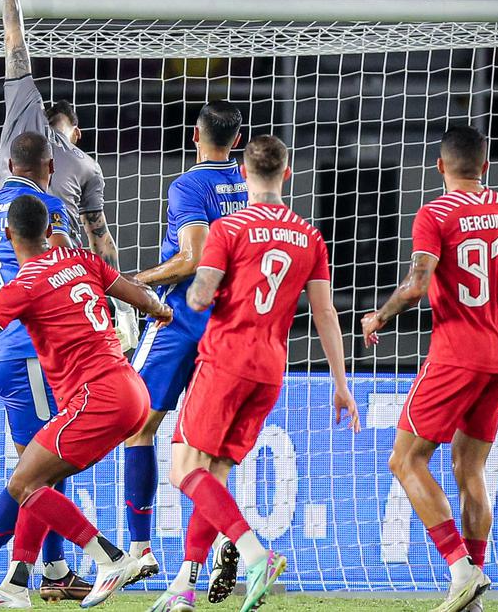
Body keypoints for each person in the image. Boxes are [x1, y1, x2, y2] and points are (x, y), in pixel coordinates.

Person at [149, 134, 360, 612]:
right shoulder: (309, 235)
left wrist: (213, 287)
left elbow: (200, 296)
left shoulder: (230, 228)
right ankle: (185, 585)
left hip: (225, 360)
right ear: (287, 174)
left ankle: (252, 553)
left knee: (184, 468)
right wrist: (341, 384)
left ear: (243, 174)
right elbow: (325, 313)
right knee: (214, 475)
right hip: (269, 369)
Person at [362, 126, 498, 612]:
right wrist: (495, 313)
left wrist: (379, 316)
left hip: (455, 354)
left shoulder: (435, 213)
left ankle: (461, 571)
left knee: (405, 460)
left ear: (440, 166)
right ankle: (474, 593)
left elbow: (417, 283)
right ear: (484, 167)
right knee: (471, 468)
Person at [0, 194, 172, 609]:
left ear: (7, 234)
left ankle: (109, 558)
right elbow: (138, 295)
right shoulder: (82, 259)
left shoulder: (25, 284)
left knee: (24, 482)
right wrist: (162, 311)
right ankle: (17, 585)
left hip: (98, 397)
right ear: (48, 230)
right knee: (40, 479)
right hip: (131, 391)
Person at [0, 131, 92, 602]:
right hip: (27, 348)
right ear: (49, 167)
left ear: (10, 166)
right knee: (38, 470)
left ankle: (52, 568)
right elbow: (68, 263)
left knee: (46, 466)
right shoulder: (47, 209)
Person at [0, 0, 140, 351]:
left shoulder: (23, 121)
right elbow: (100, 239)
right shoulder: (84, 162)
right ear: (76, 131)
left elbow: (16, 51)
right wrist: (123, 308)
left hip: (11, 284)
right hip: (64, 289)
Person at [122, 100, 249, 591]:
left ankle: (139, 550)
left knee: (138, 426)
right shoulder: (246, 186)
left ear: (196, 136)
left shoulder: (189, 185)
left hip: (179, 318)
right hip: (228, 326)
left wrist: (137, 281)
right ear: (236, 140)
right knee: (208, 448)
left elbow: (192, 257)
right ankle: (222, 544)